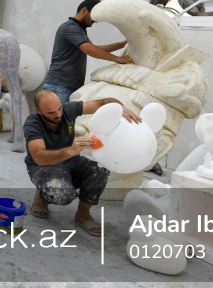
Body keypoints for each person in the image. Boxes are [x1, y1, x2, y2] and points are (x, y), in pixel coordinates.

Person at [25, 89, 140, 237]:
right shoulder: (32, 123)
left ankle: (83, 214)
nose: (58, 114)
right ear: (38, 111)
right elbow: (39, 157)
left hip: (70, 160)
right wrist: (71, 150)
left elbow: (102, 103)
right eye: (51, 113)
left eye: (59, 108)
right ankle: (41, 196)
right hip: (44, 166)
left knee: (100, 169)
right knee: (62, 195)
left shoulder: (68, 109)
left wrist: (119, 108)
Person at [41, 0, 133, 104]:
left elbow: (95, 48)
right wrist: (118, 59)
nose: (95, 21)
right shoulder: (70, 27)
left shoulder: (79, 30)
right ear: (84, 10)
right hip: (60, 87)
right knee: (58, 115)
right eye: (94, 16)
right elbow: (89, 49)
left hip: (66, 87)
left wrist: (122, 44)